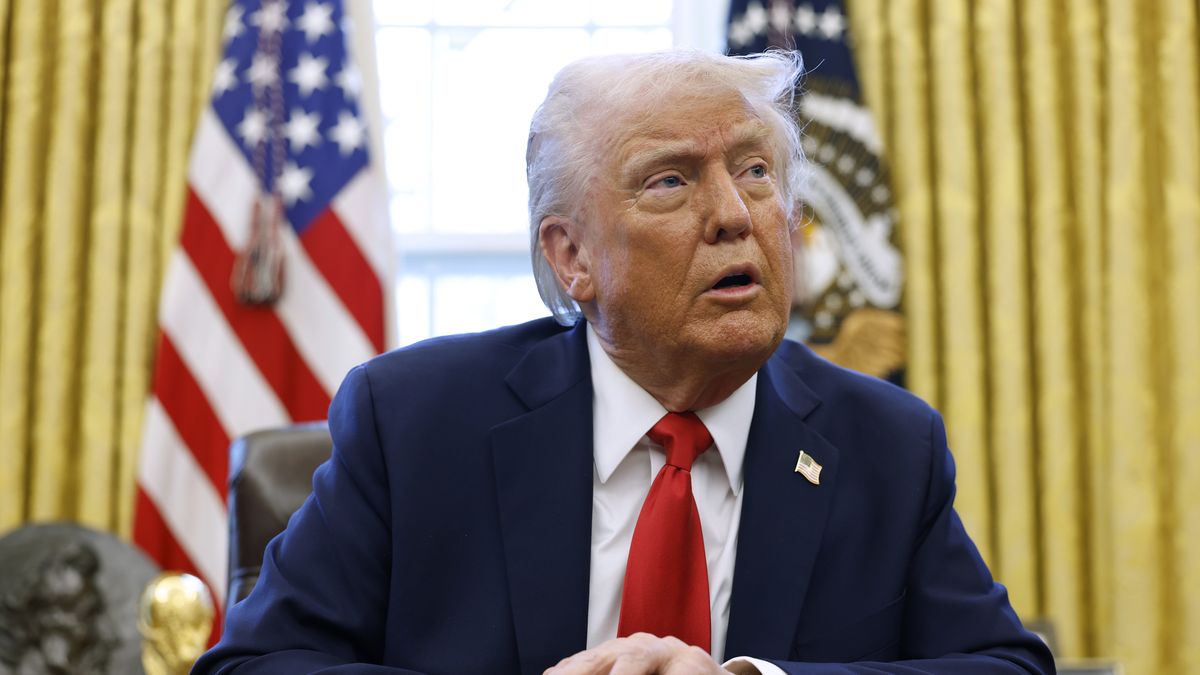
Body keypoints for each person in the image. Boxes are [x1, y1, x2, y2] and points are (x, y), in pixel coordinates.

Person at [193, 50, 1054, 675]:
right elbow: (254, 664)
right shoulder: (415, 420)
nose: (734, 214)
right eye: (671, 182)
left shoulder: (884, 443)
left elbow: (1007, 668)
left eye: (755, 170)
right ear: (571, 256)